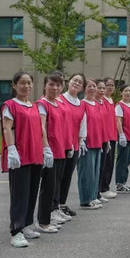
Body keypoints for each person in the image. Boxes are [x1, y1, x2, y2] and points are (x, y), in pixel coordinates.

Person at [0, 71, 45, 247]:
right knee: (19, 194)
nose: (26, 86)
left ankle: (26, 225)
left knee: (32, 192)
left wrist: (45, 149)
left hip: (35, 154)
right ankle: (16, 231)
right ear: (14, 85)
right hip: (20, 155)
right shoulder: (10, 105)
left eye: (29, 83)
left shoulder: (34, 106)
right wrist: (11, 149)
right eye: (22, 83)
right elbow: (7, 128)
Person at [36, 73, 69, 234]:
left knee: (55, 185)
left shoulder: (58, 104)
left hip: (60, 149)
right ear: (44, 86)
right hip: (50, 150)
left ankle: (50, 214)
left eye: (58, 85)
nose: (55, 88)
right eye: (51, 84)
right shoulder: (43, 104)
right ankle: (43, 222)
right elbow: (41, 126)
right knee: (48, 187)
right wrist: (45, 148)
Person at [59, 73, 86, 217]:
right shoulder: (60, 99)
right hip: (60, 145)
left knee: (67, 176)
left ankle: (62, 204)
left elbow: (82, 125)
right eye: (75, 80)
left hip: (74, 145)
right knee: (57, 177)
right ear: (68, 82)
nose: (77, 83)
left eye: (80, 82)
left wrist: (80, 143)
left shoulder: (81, 104)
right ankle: (54, 206)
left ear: (82, 87)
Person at [78, 79, 104, 209]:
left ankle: (93, 196)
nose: (93, 88)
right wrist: (81, 140)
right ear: (84, 88)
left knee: (95, 172)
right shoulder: (82, 104)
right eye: (90, 86)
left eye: (94, 86)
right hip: (87, 142)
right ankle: (85, 199)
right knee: (86, 172)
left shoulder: (97, 104)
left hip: (97, 142)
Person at [115, 83, 130, 193]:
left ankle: (124, 182)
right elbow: (118, 120)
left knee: (127, 161)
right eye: (125, 91)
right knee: (122, 161)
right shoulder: (120, 105)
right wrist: (121, 134)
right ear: (121, 93)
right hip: (124, 137)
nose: (128, 93)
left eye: (129, 91)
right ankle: (119, 184)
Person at [99, 77, 118, 200]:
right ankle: (103, 188)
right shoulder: (102, 100)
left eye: (112, 85)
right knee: (105, 164)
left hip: (113, 136)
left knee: (110, 164)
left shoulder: (112, 100)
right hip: (106, 136)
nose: (110, 87)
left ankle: (106, 187)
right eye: (108, 85)